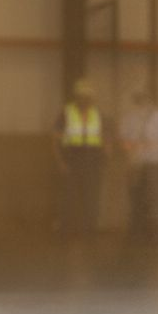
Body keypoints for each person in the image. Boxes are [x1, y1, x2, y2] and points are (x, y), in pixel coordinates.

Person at [120, 90, 158, 244]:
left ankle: (152, 235)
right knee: (157, 200)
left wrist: (138, 148)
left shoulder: (130, 119)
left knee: (144, 200)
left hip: (143, 164)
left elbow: (125, 144)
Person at [53, 78, 107, 236]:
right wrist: (60, 162)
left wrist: (104, 160)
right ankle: (66, 229)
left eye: (88, 97)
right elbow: (55, 140)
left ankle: (90, 230)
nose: (85, 100)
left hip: (93, 159)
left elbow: (105, 140)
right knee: (68, 195)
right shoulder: (66, 113)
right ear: (76, 97)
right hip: (72, 157)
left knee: (92, 196)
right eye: (82, 96)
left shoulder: (98, 114)